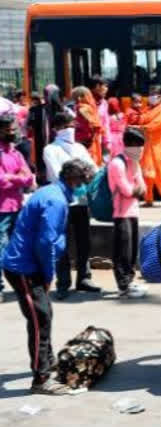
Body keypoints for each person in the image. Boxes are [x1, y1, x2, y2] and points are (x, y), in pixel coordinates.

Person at [2, 158, 93, 395]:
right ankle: (41, 379)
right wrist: (49, 272)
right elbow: (46, 242)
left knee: (44, 313)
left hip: (29, 265)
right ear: (74, 180)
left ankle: (47, 360)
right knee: (39, 318)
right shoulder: (56, 201)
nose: (85, 187)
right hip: (24, 268)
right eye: (84, 182)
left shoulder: (51, 192)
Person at [42, 112, 100, 299]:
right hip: (61, 202)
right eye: (66, 126)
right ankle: (63, 283)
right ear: (56, 129)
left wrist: (83, 177)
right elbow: (58, 173)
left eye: (72, 126)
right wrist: (82, 176)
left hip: (81, 202)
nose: (70, 130)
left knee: (84, 242)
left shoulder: (80, 148)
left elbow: (93, 169)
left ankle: (84, 277)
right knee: (62, 244)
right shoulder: (50, 149)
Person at [108, 128, 148, 298]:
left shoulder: (134, 162)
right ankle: (123, 285)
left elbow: (143, 189)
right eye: (137, 145)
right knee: (122, 251)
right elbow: (127, 190)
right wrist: (136, 190)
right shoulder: (117, 164)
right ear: (129, 145)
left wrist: (136, 190)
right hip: (120, 212)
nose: (140, 149)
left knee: (132, 251)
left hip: (133, 211)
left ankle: (129, 282)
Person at [0, 115, 35, 301]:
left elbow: (29, 178)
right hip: (1, 209)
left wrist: (12, 177)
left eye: (13, 129)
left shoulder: (16, 153)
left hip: (17, 206)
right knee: (0, 248)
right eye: (7, 129)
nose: (11, 132)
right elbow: (1, 182)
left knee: (18, 247)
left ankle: (19, 284)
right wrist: (17, 177)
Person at [133, 86, 161, 205]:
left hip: (158, 148)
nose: (150, 96)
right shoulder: (149, 109)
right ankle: (148, 198)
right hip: (148, 146)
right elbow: (142, 119)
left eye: (153, 94)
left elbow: (154, 126)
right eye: (150, 93)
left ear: (160, 97)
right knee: (147, 174)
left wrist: (139, 127)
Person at [71, 86, 104, 166]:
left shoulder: (81, 108)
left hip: (83, 139)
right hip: (88, 140)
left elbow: (93, 123)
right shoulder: (85, 107)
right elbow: (95, 124)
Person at [88, 75, 111, 159]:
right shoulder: (85, 103)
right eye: (105, 86)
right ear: (97, 86)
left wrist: (107, 142)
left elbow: (106, 124)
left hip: (99, 141)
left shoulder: (104, 103)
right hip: (87, 142)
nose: (107, 89)